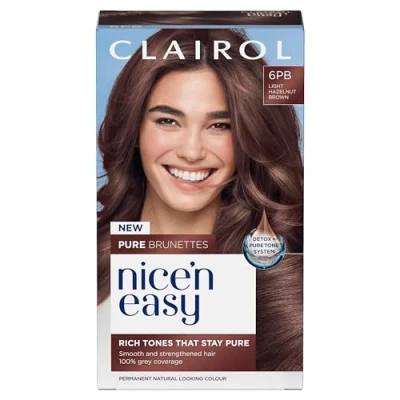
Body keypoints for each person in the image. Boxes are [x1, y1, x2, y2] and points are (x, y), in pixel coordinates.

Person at [97, 28, 303, 371]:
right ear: (134, 130)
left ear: (249, 138)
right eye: (168, 121)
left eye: (220, 126)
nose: (191, 152)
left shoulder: (284, 288)